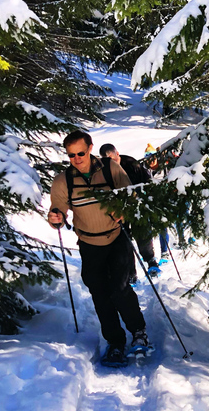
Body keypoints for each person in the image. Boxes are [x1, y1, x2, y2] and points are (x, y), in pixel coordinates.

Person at [48, 130, 149, 368]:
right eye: (71, 155)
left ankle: (139, 331)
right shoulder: (64, 180)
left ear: (90, 148)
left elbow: (131, 197)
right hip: (89, 243)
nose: (76, 158)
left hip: (117, 238)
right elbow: (58, 210)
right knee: (100, 294)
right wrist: (56, 218)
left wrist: (123, 209)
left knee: (120, 288)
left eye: (80, 153)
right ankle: (115, 342)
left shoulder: (110, 170)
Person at [98, 143, 162, 277]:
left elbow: (147, 181)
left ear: (117, 154)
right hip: (118, 210)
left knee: (143, 233)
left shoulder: (131, 164)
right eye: (109, 161)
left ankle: (151, 261)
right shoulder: (103, 170)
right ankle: (131, 272)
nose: (113, 164)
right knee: (124, 241)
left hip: (137, 205)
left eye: (114, 160)